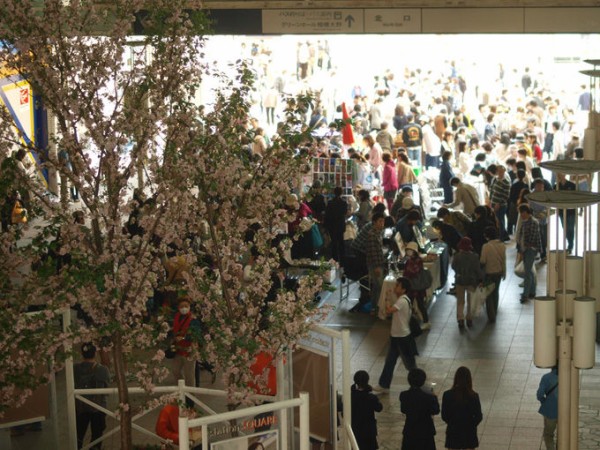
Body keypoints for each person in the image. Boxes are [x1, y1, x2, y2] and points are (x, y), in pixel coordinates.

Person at [374, 277, 418, 393]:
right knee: (390, 361)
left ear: (403, 289)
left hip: (402, 337)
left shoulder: (402, 300)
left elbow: (389, 310)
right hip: (396, 336)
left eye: (397, 286)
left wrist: (387, 298)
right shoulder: (403, 299)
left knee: (410, 365)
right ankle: (384, 385)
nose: (395, 287)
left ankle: (419, 385)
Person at [74, 343, 111, 450]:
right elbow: (106, 390)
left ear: (82, 354)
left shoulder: (75, 369)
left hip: (80, 406)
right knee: (97, 434)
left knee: (79, 433)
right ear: (95, 353)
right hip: (98, 407)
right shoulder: (102, 369)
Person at [441, 366, 483, 450]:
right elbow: (478, 416)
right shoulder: (473, 396)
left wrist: (452, 422)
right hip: (469, 432)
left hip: (453, 431)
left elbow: (444, 415)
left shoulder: (447, 395)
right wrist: (471, 425)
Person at [399, 368, 440, 450]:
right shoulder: (429, 397)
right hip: (426, 432)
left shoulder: (404, 395)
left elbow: (403, 410)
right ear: (423, 381)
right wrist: (434, 396)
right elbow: (436, 410)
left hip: (410, 431)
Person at [451, 237, 484, 329]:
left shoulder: (457, 256)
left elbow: (453, 266)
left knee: (460, 301)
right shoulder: (475, 256)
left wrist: (459, 271)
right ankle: (469, 318)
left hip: (459, 280)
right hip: (471, 281)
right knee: (470, 301)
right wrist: (481, 280)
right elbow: (478, 270)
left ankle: (460, 319)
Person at [171, 297, 201, 387]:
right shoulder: (176, 317)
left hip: (190, 349)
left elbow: (197, 334)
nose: (184, 308)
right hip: (178, 349)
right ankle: (182, 389)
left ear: (189, 307)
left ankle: (190, 397)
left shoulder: (193, 319)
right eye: (181, 306)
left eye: (186, 306)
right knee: (175, 370)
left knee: (189, 375)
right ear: (178, 308)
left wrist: (184, 338)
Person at [350, 370, 383, 450]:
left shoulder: (351, 397)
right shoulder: (371, 397)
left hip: (355, 429)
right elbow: (379, 408)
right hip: (369, 431)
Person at [480, 226, 506, 323]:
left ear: (487, 236)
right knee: (496, 292)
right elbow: (504, 260)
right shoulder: (502, 245)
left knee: (488, 294)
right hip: (498, 272)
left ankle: (491, 316)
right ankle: (495, 311)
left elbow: (483, 260)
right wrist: (504, 272)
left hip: (489, 273)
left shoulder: (486, 246)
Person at [403, 241, 431, 331]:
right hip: (415, 287)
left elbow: (412, 272)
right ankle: (410, 322)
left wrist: (406, 273)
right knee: (413, 304)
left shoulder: (415, 261)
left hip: (415, 287)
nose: (408, 251)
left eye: (410, 250)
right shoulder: (413, 260)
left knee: (419, 305)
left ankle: (425, 322)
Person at [517, 204, 541, 303]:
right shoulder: (525, 221)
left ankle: (525, 295)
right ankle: (532, 291)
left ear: (527, 212)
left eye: (522, 213)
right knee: (529, 271)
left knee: (527, 272)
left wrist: (523, 249)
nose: (521, 215)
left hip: (530, 249)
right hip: (525, 249)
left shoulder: (533, 222)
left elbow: (532, 238)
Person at [365, 212, 387, 314]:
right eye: (380, 221)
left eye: (383, 221)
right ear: (374, 222)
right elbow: (373, 252)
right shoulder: (372, 235)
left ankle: (375, 307)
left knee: (377, 287)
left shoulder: (378, 233)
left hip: (379, 263)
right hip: (375, 265)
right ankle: (376, 308)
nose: (382, 224)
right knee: (378, 286)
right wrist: (377, 267)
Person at [537, 366, 559, 450]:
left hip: (550, 410)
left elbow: (540, 394)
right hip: (566, 412)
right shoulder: (570, 377)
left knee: (548, 434)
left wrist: (544, 402)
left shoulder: (546, 377)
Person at [324, 186, 348, 262]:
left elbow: (327, 215)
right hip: (340, 225)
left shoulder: (330, 203)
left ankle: (335, 259)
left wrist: (326, 226)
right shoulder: (344, 203)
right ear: (341, 193)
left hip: (332, 225)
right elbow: (345, 213)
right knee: (341, 242)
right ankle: (343, 259)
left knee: (334, 242)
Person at [554, 172, 576, 254]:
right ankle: (570, 243)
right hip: (561, 211)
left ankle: (570, 245)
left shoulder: (572, 185)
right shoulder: (556, 186)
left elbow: (575, 197)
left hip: (571, 211)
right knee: (565, 228)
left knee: (570, 228)